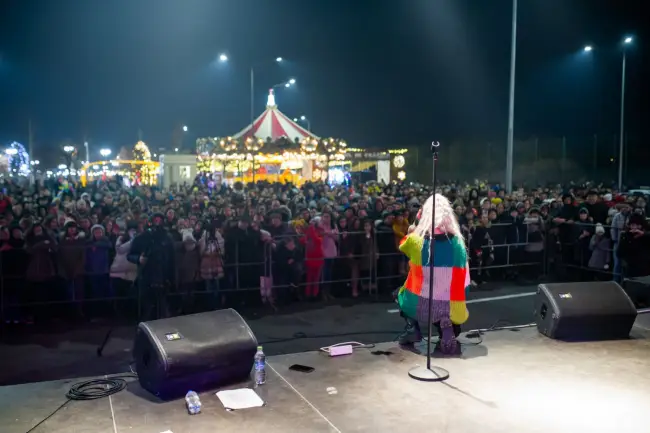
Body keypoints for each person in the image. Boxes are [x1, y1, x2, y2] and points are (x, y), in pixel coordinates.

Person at [396, 193, 471, 355]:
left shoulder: (416, 240)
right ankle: (448, 328)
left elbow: (402, 246)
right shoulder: (458, 243)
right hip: (451, 304)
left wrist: (413, 229)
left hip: (421, 302)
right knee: (444, 301)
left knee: (399, 293)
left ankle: (412, 329)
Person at [127, 212, 176, 321]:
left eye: (159, 220)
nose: (157, 223)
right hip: (146, 277)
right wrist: (138, 259)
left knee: (163, 310)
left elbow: (172, 259)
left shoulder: (167, 238)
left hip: (163, 277)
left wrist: (172, 278)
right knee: (147, 310)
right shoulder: (142, 238)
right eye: (155, 220)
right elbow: (130, 255)